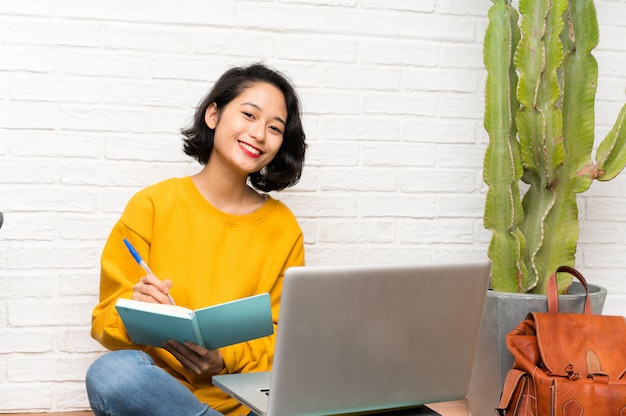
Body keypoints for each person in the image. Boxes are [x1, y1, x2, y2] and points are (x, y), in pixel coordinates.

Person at [85, 63, 307, 416]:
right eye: (249, 115)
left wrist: (223, 359)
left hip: (247, 399)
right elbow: (104, 322)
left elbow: (287, 335)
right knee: (111, 373)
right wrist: (136, 307)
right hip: (164, 394)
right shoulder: (153, 204)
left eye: (274, 128)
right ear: (214, 114)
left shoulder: (283, 226)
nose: (259, 134)